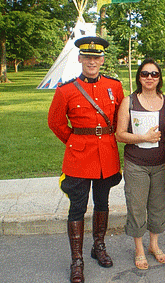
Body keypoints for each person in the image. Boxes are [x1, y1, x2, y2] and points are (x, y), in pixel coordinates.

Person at [48, 36, 124, 283]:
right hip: (79, 157)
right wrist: (74, 141)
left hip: (106, 156)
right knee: (77, 207)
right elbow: (56, 122)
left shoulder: (115, 86)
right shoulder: (66, 90)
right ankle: (77, 260)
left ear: (102, 60)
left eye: (97, 57)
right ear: (80, 59)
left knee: (102, 203)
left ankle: (98, 247)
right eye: (87, 57)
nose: (92, 61)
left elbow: (122, 116)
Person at [115, 58, 165, 270]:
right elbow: (119, 135)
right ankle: (139, 248)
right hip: (136, 164)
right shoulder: (129, 101)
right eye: (145, 73)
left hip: (161, 164)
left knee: (158, 206)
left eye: (154, 74)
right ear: (139, 77)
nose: (149, 77)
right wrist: (143, 138)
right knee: (137, 207)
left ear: (159, 78)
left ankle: (153, 245)